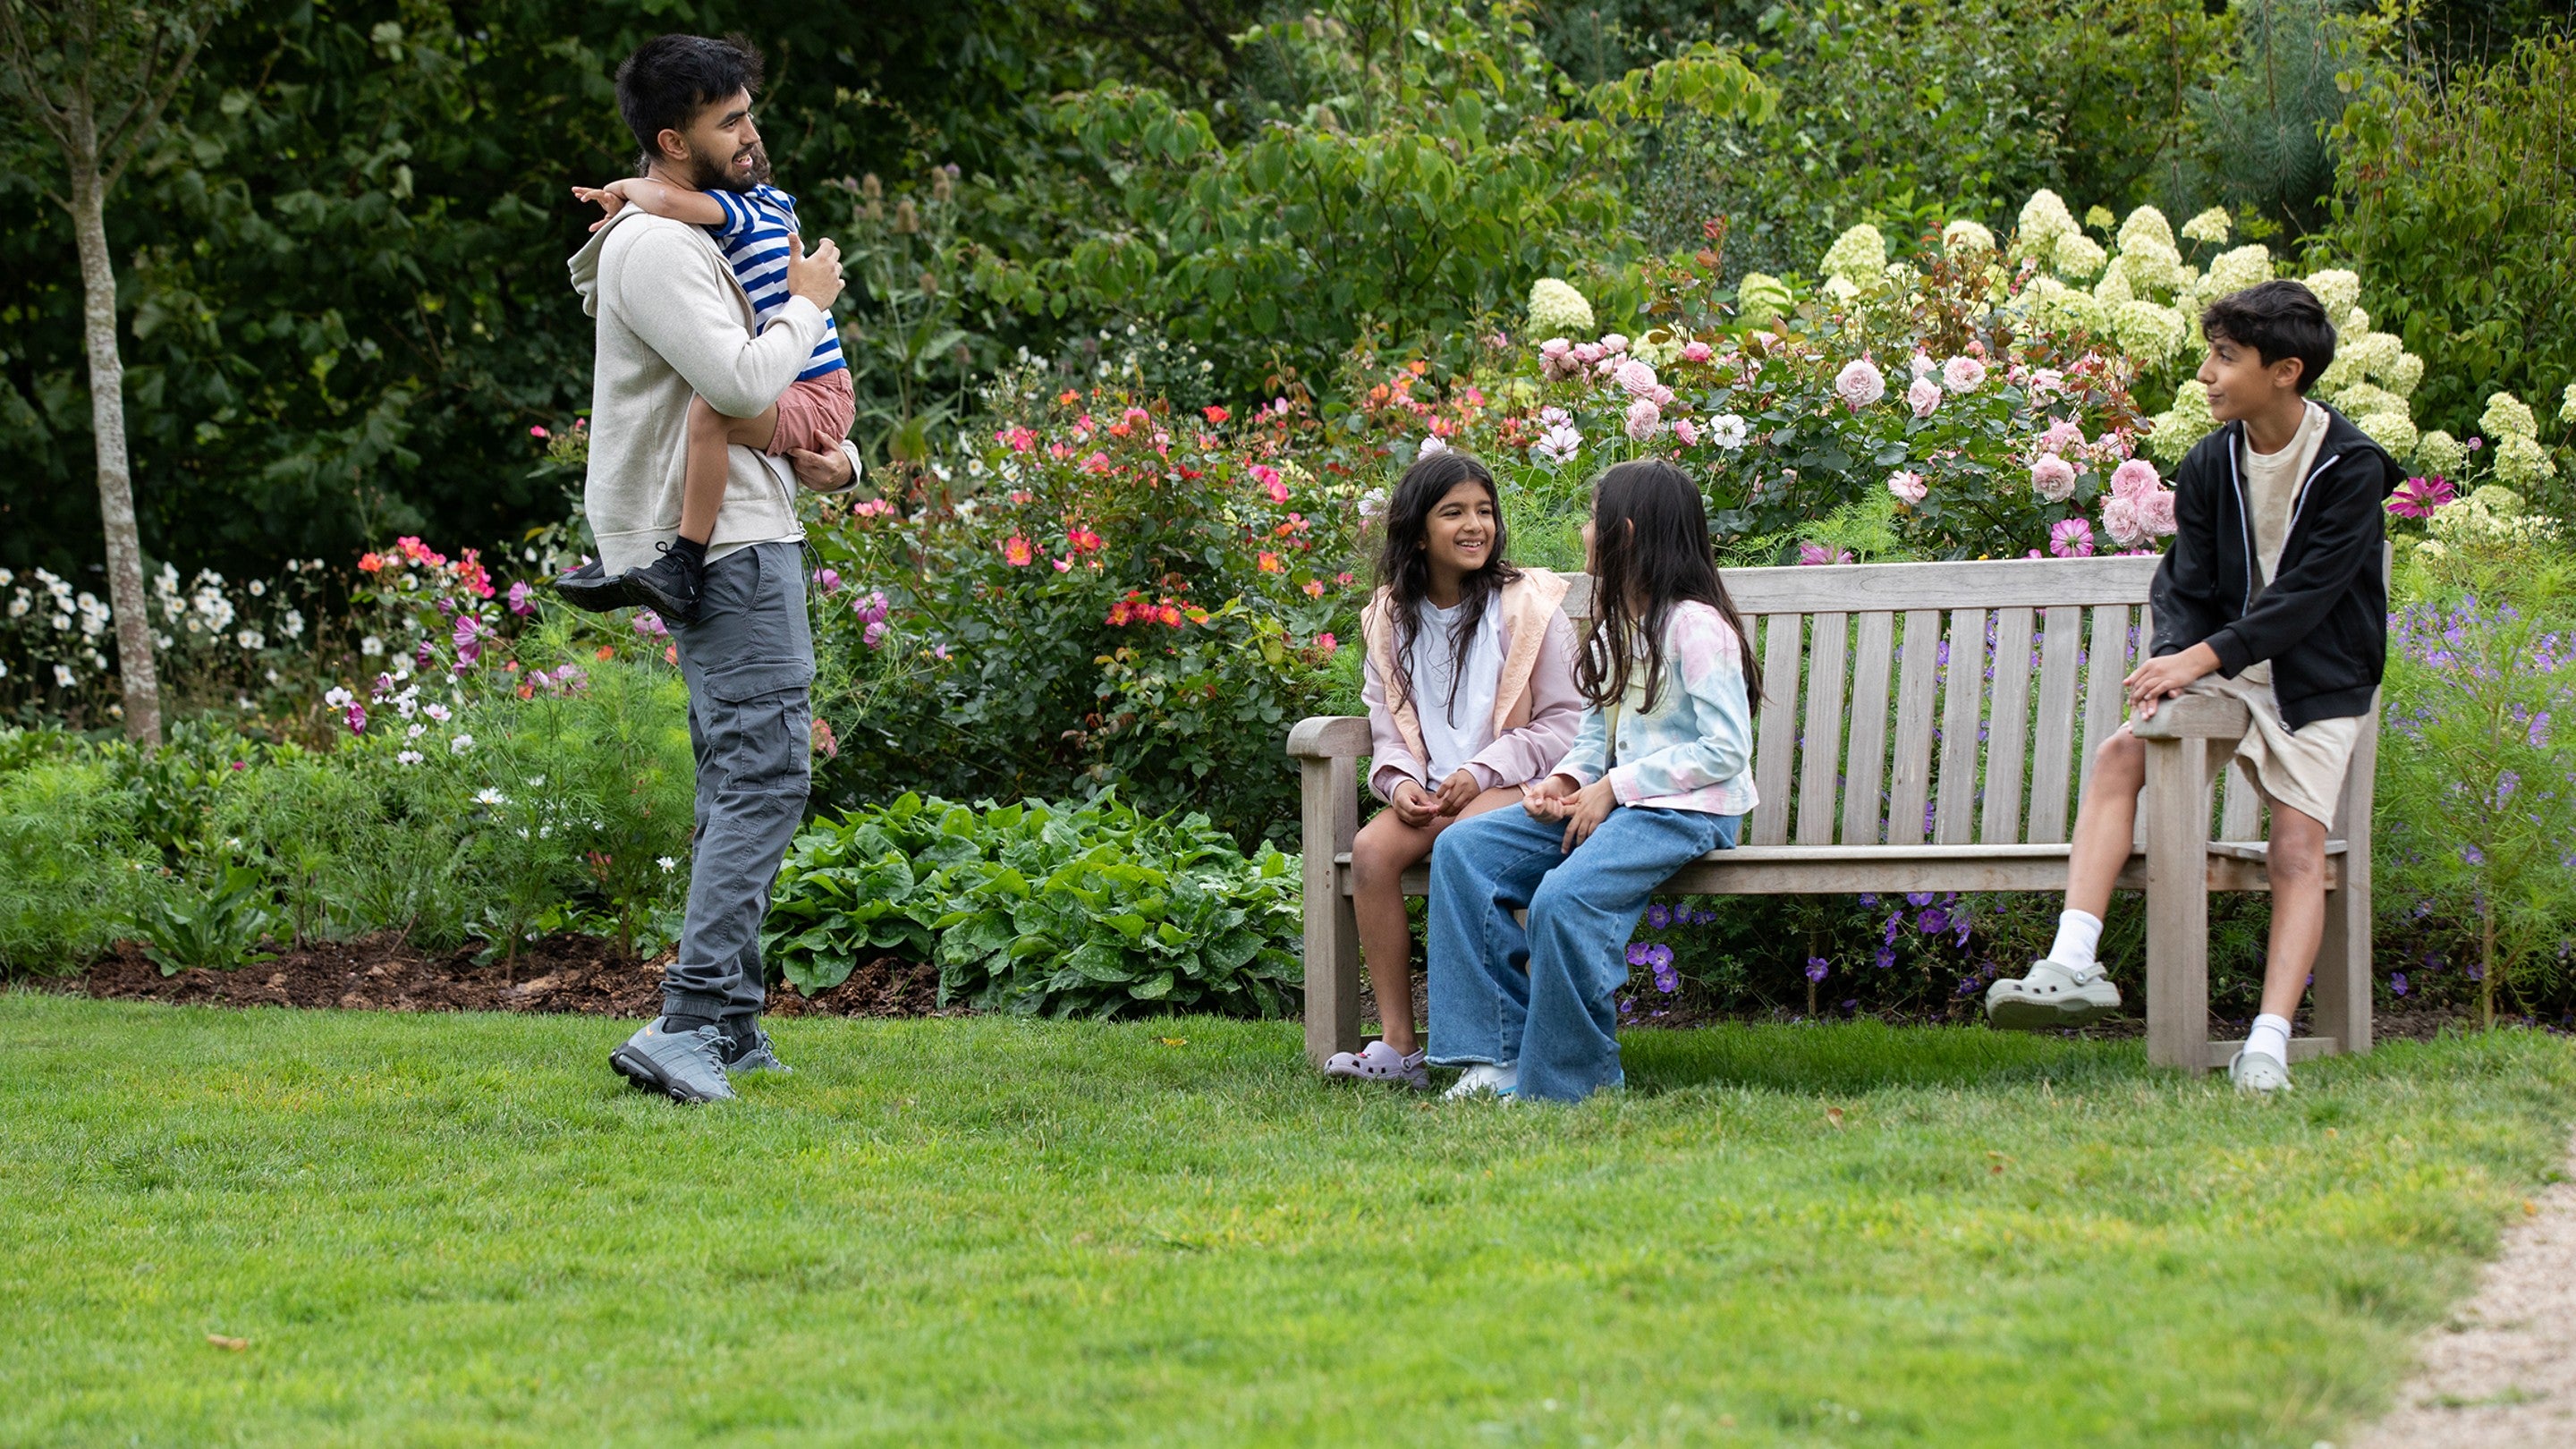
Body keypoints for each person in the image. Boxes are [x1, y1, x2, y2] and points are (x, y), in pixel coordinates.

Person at [1983, 279, 2401, 1094]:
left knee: (2296, 850)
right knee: (2119, 756)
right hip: (2227, 669)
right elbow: (2185, 582)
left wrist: (2198, 658)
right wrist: (2177, 662)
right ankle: (2072, 962)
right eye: (2208, 355)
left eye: (2224, 357)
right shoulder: (2211, 461)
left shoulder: (2351, 469)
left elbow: (2310, 596)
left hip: (2320, 681)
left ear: (2285, 371)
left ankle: (2267, 1044)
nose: (2206, 375)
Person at [568, 33, 869, 1104]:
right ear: (671, 140)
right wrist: (813, 302)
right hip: (728, 544)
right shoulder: (653, 251)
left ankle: (729, 1027)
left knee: (739, 774)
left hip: (757, 522)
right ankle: (689, 1022)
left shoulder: (709, 228)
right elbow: (742, 378)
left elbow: (788, 406)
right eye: (728, 121)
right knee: (765, 776)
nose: (752, 134)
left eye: (749, 112)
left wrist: (841, 460)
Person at [1423, 459, 1761, 1103]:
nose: (1583, 530)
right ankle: (1500, 1056)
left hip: (1685, 811)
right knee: (1464, 852)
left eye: (1592, 519)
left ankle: (1573, 1080)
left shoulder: (1696, 626)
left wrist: (1616, 788)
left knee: (1563, 900)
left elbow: (1725, 750)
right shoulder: (1613, 627)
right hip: (1622, 804)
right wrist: (1568, 783)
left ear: (1624, 533)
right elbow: (1589, 736)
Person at [1323, 451, 1582, 1089]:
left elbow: (1563, 724)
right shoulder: (1390, 616)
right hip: (1438, 793)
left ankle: (1495, 1045)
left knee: (1465, 844)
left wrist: (1484, 770)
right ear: (1417, 532)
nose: (1476, 525)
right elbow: (1387, 724)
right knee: (1371, 852)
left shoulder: (1528, 609)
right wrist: (1402, 783)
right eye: (1454, 512)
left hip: (1518, 787)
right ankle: (1399, 1046)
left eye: (1485, 511)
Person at [564, 136, 853, 623]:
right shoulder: (702, 232)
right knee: (705, 405)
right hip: (802, 388)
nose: (750, 134)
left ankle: (683, 558)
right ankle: (639, 546)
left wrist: (621, 188)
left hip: (816, 393)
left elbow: (664, 198)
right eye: (733, 123)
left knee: (714, 413)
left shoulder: (751, 208)